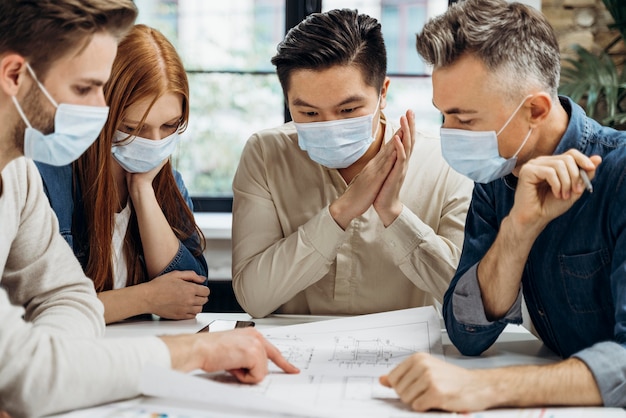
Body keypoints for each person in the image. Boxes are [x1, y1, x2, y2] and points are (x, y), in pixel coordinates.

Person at [0, 1, 297, 417]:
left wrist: (59, 364)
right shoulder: (43, 170)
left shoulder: (16, 175)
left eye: (168, 127)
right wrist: (193, 350)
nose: (97, 111)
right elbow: (27, 370)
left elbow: (66, 297)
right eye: (85, 89)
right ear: (14, 75)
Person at [380, 0, 626, 411]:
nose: (448, 134)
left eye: (464, 120)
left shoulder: (618, 175)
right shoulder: (498, 172)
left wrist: (486, 388)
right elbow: (466, 331)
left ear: (534, 110)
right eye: (443, 116)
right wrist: (518, 230)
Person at [232, 8, 474, 318]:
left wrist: (394, 214)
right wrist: (341, 211)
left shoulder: (444, 161)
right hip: (294, 356)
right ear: (288, 101)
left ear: (382, 92)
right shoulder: (266, 154)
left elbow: (467, 302)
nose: (329, 125)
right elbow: (254, 298)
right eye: (308, 113)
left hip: (410, 358)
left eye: (347, 111)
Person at [36, 24, 209, 324]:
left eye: (169, 126)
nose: (154, 143)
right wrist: (146, 297)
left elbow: (190, 295)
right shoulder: (49, 176)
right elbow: (44, 309)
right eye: (133, 128)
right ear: (102, 114)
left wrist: (143, 192)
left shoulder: (169, 182)